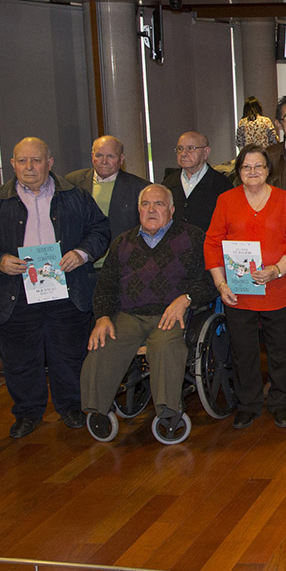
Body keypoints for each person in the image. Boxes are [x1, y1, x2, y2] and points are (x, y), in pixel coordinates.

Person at [0, 137, 110, 439]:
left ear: (50, 163)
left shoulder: (75, 196)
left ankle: (71, 407)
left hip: (67, 290)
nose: (30, 167)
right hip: (15, 292)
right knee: (20, 358)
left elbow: (100, 229)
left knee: (68, 353)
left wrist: (81, 254)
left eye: (37, 160)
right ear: (13, 164)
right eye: (23, 161)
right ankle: (28, 413)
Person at [80, 184, 215, 434]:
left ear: (172, 210)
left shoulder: (193, 237)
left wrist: (185, 298)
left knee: (164, 346)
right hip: (129, 314)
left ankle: (168, 410)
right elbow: (106, 287)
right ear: (138, 210)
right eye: (145, 204)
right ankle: (97, 408)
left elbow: (210, 282)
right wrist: (102, 318)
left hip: (171, 314)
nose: (151, 209)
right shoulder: (122, 242)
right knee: (103, 343)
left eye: (159, 204)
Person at [205, 144, 286, 429]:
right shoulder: (226, 201)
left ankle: (281, 402)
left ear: (268, 170)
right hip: (239, 291)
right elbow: (212, 243)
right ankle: (248, 404)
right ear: (238, 172)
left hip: (279, 288)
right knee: (243, 351)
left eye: (258, 166)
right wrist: (220, 283)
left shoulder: (285, 200)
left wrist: (277, 269)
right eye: (246, 167)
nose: (253, 172)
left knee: (281, 351)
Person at [64, 135, 147, 267]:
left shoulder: (140, 188)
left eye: (110, 156)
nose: (104, 161)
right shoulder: (71, 182)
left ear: (121, 159)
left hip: (124, 267)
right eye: (99, 155)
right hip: (81, 268)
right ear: (92, 156)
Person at [164, 131, 232, 232]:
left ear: (206, 152)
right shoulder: (168, 184)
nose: (183, 154)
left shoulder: (222, 185)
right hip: (174, 246)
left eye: (190, 148)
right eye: (180, 149)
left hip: (208, 245)